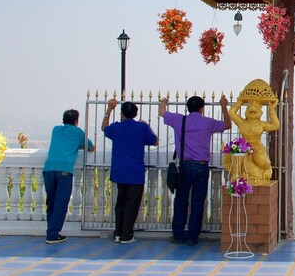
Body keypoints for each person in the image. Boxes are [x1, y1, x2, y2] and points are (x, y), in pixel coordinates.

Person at [159, 94, 230, 246]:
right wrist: (223, 105)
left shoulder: (179, 120)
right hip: (202, 166)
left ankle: (178, 235)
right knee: (197, 202)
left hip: (185, 166)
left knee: (181, 201)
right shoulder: (208, 123)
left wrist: (163, 101)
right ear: (202, 108)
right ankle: (192, 236)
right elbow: (227, 124)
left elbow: (162, 112)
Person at [103, 99, 158, 244]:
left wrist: (109, 110)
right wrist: (147, 125)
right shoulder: (141, 128)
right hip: (135, 172)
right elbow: (155, 141)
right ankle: (126, 235)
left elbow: (104, 128)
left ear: (122, 113)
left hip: (119, 171)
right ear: (136, 113)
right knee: (131, 204)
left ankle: (118, 232)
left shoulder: (116, 128)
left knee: (120, 203)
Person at [42, 109, 94, 244]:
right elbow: (91, 147)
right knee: (61, 203)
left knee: (51, 202)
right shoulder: (78, 132)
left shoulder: (56, 130)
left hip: (49, 169)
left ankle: (51, 230)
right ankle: (52, 234)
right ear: (76, 120)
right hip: (64, 170)